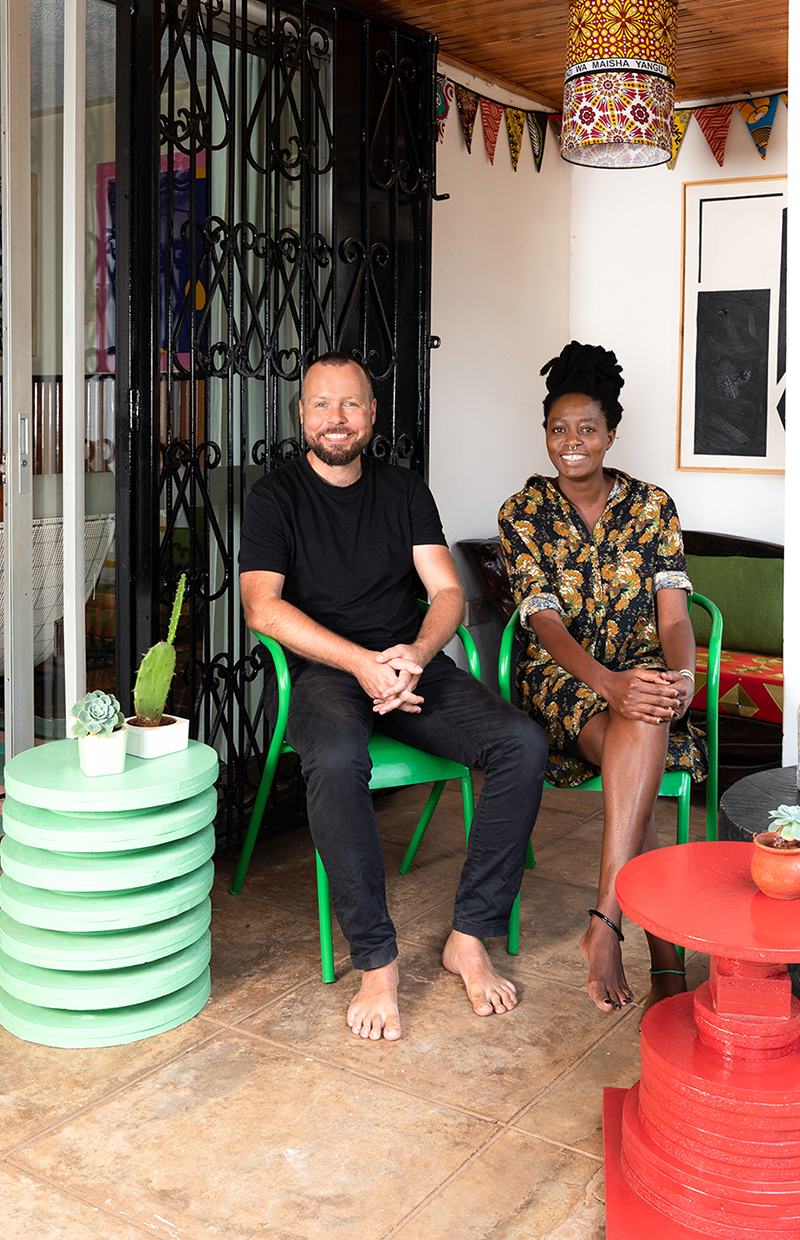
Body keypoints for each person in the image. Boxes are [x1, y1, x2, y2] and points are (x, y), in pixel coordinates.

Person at [239, 351, 547, 1042]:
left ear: (372, 416)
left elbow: (444, 591)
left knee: (521, 743)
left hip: (409, 666)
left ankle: (470, 935)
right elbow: (263, 609)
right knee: (339, 757)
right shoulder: (275, 497)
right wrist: (361, 665)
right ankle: (377, 960)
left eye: (351, 404)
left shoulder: (404, 489)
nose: (336, 419)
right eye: (322, 404)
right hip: (322, 673)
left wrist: (414, 655)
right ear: (302, 415)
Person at [498, 341, 707, 1014]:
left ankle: (608, 926)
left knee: (641, 718)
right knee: (638, 726)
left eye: (587, 428)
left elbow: (674, 616)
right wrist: (608, 682)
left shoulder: (652, 507)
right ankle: (661, 961)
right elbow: (544, 623)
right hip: (560, 681)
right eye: (559, 429)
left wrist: (686, 674)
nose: (571, 442)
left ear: (611, 434)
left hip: (640, 679)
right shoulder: (522, 514)